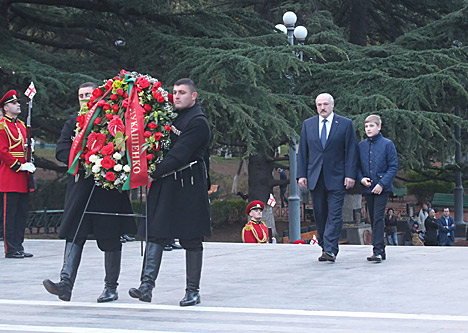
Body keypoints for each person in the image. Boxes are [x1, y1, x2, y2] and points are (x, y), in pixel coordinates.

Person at [43, 82, 137, 302]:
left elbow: (124, 147)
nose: (84, 98)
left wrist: (107, 163)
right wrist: (83, 161)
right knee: (74, 235)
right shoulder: (73, 121)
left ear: (97, 95)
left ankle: (111, 288)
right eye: (80, 95)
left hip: (107, 190)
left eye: (88, 94)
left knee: (111, 238)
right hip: (81, 189)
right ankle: (65, 284)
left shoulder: (112, 118)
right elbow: (62, 150)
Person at [129, 78, 211, 306]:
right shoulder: (169, 115)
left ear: (193, 96)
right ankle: (146, 287)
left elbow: (179, 154)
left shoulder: (198, 122)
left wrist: (151, 174)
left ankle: (192, 291)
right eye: (174, 92)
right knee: (156, 233)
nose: (176, 96)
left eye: (182, 92)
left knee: (191, 238)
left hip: (189, 185)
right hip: (166, 183)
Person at [297, 93, 358, 262]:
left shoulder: (345, 124)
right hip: (315, 177)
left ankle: (331, 249)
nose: (322, 108)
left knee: (335, 213)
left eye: (325, 104)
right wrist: (301, 174)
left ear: (332, 105)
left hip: (337, 177)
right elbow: (303, 152)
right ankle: (325, 245)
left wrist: (350, 175)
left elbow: (351, 152)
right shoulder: (308, 125)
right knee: (320, 213)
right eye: (319, 105)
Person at [0, 90, 36, 258]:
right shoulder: (2, 126)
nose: (18, 105)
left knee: (21, 213)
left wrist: (31, 150)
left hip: (23, 174)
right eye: (14, 103)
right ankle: (10, 249)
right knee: (10, 215)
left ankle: (19, 246)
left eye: (17, 102)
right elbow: (3, 151)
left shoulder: (21, 125)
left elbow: (24, 148)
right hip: (11, 174)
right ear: (6, 107)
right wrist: (18, 166)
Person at [357, 115, 398, 262]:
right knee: (373, 218)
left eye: (371, 126)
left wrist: (382, 184)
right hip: (368, 188)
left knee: (378, 218)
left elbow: (393, 167)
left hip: (382, 188)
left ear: (379, 127)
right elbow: (357, 166)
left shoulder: (387, 144)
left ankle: (378, 250)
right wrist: (361, 178)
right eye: (366, 126)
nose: (368, 129)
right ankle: (381, 249)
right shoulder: (361, 145)